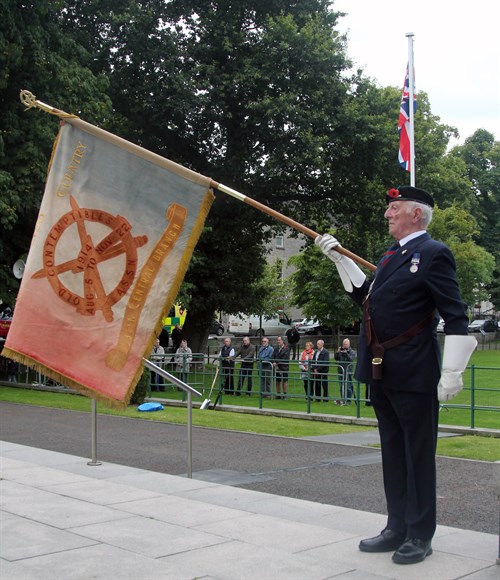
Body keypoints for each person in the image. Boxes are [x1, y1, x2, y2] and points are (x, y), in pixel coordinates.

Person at [316, 185, 476, 565]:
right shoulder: (391, 256)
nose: (388, 215)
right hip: (381, 369)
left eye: (394, 208)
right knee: (392, 452)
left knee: (417, 455)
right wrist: (340, 259)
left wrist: (452, 371)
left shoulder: (434, 254)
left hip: (415, 370)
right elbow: (368, 298)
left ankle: (420, 533)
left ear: (416, 214)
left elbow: (456, 315)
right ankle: (396, 526)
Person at [334, 338, 356, 405]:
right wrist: (338, 352)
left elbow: (351, 359)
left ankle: (348, 401)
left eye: (346, 344)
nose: (345, 345)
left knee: (348, 387)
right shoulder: (341, 350)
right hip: (340, 371)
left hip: (348, 371)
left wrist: (346, 353)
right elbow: (336, 358)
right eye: (344, 344)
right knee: (341, 387)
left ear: (349, 344)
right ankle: (343, 399)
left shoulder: (352, 352)